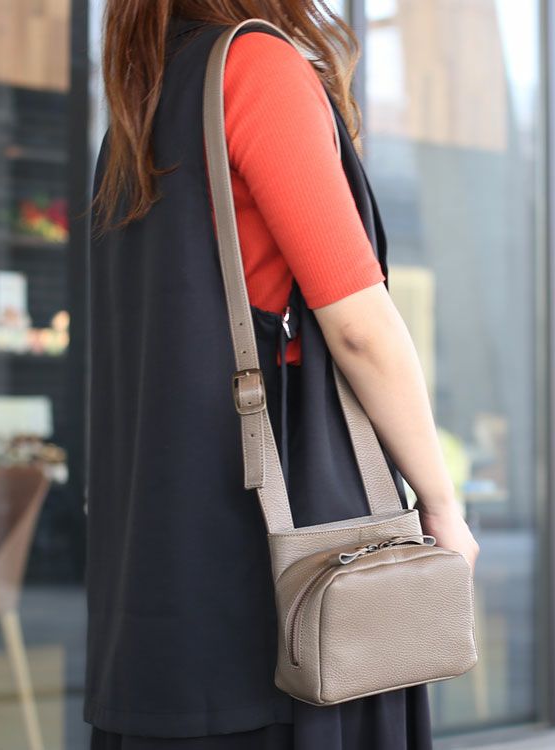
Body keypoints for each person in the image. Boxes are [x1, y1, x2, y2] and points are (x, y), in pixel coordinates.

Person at [84, 2, 480, 748]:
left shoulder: (144, 104)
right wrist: (441, 507)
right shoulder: (255, 69)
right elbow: (359, 327)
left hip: (162, 564)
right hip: (289, 543)